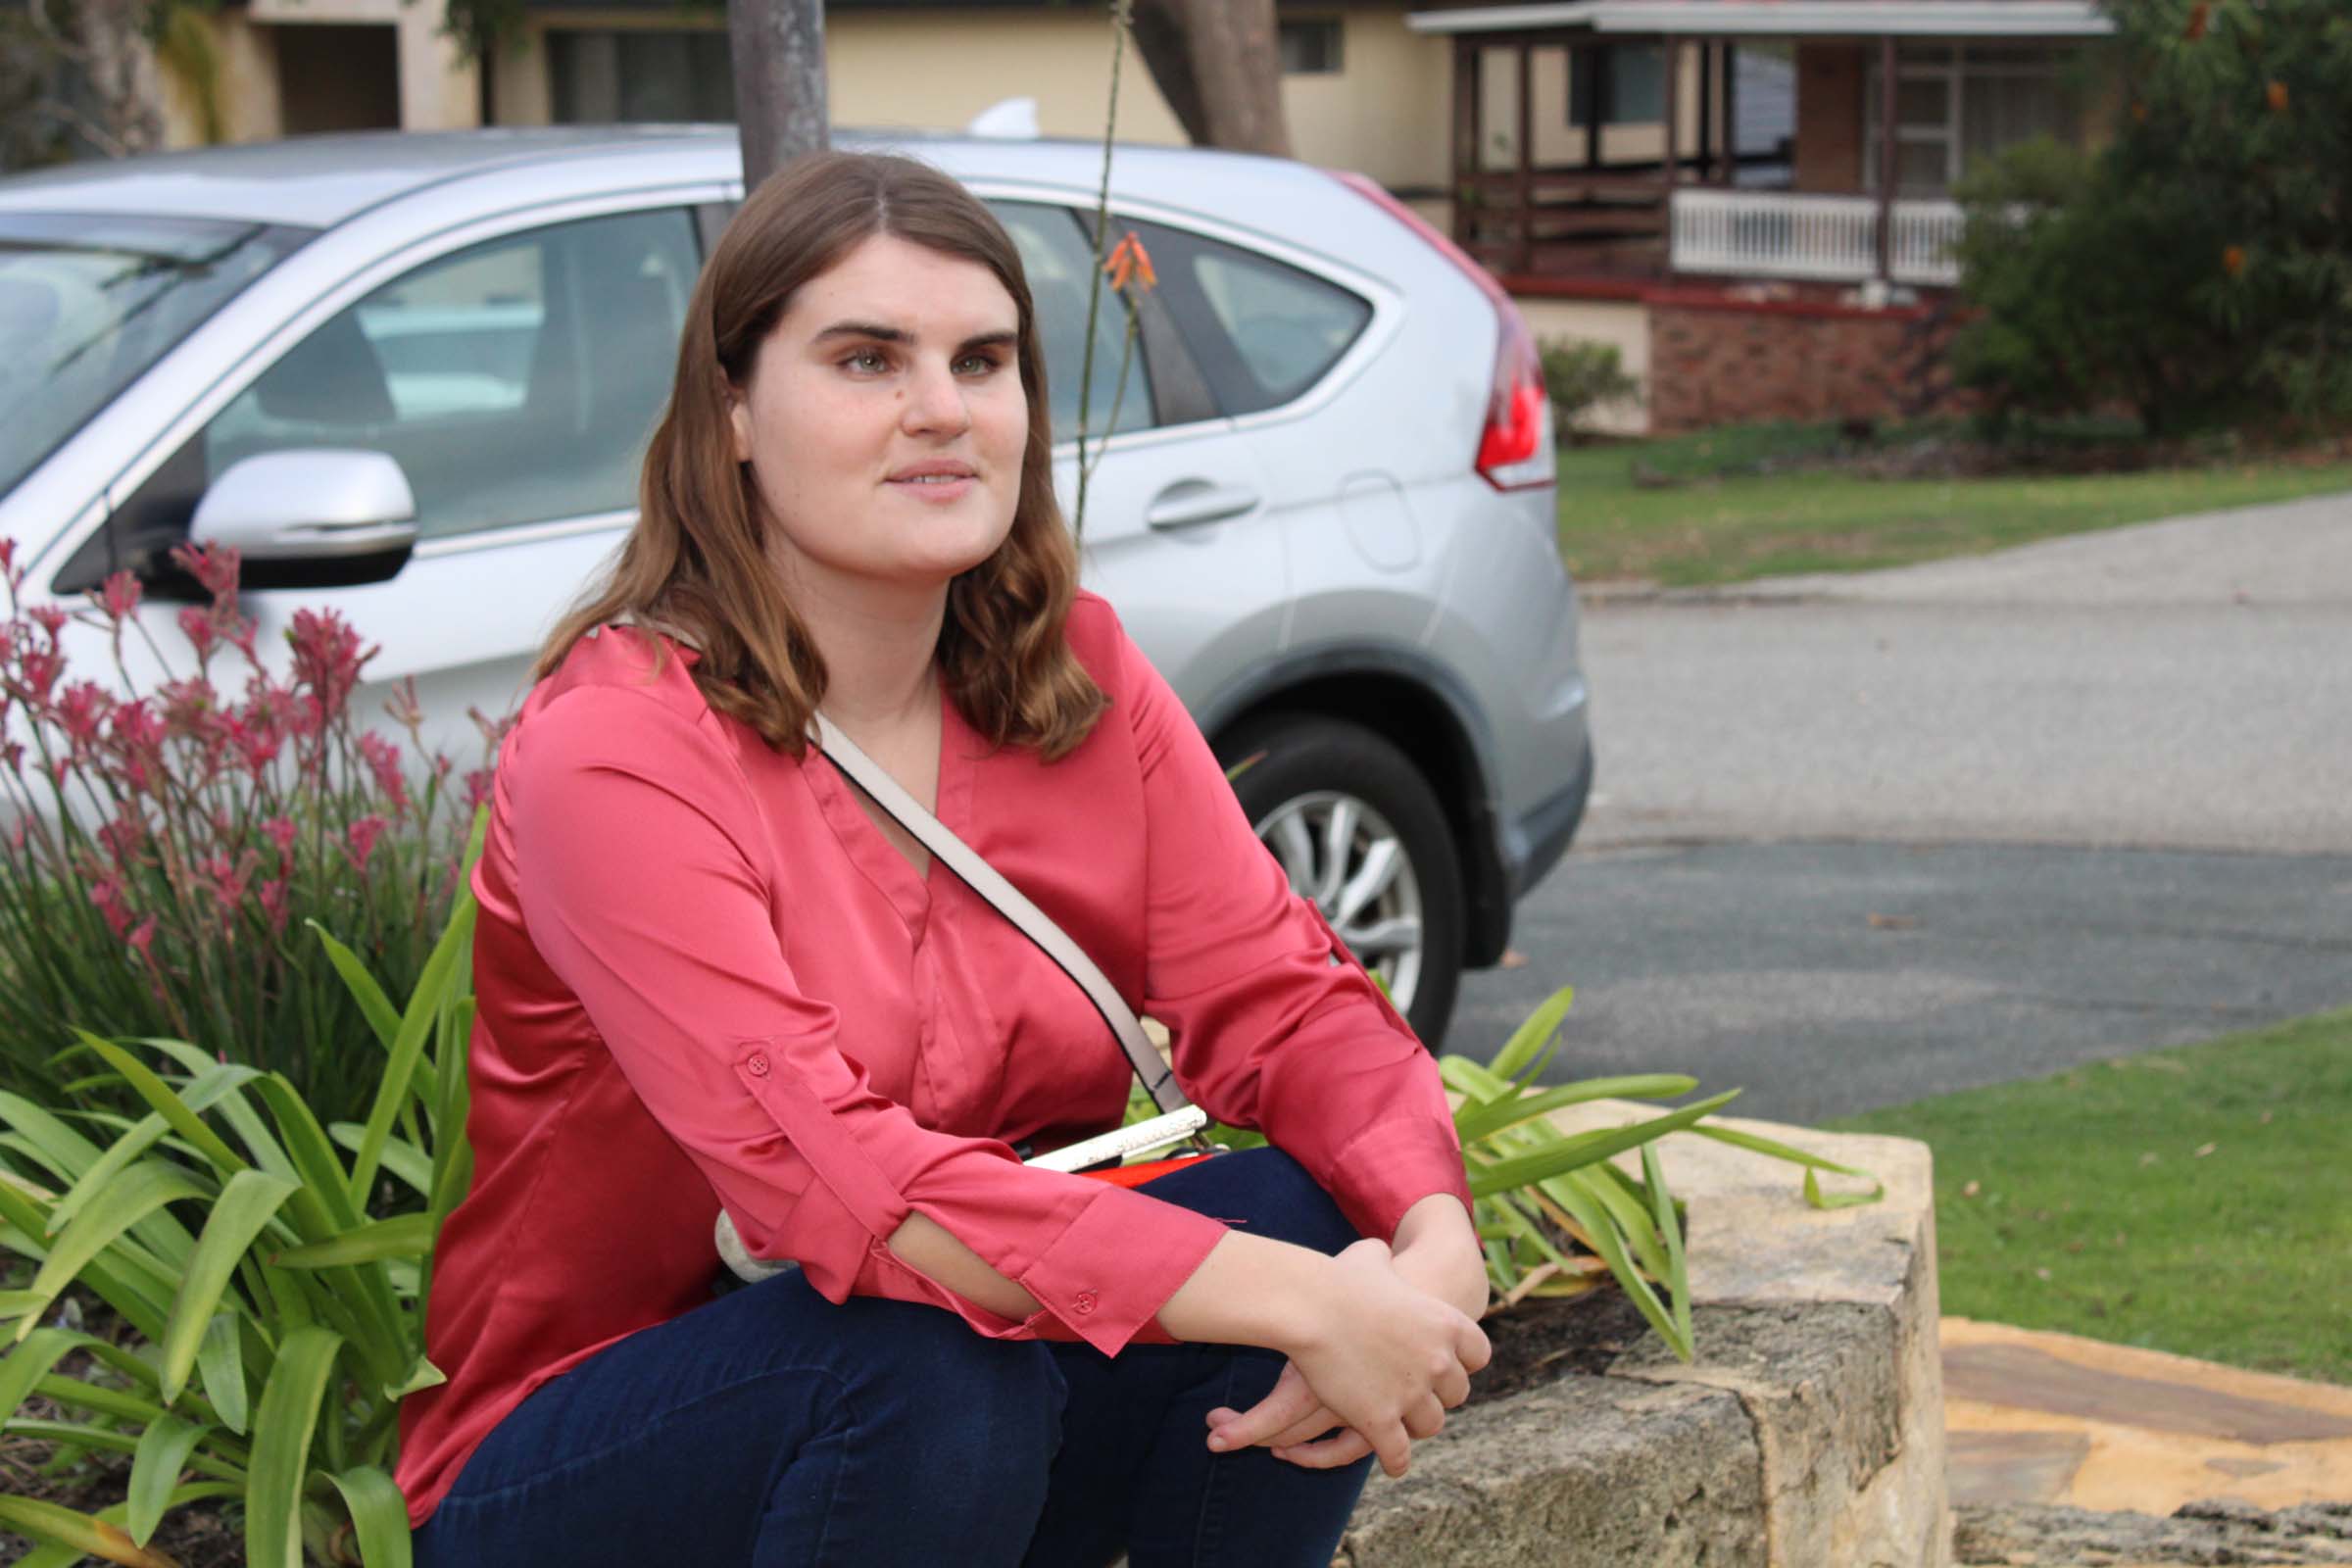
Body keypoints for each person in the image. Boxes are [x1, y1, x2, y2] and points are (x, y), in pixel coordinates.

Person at [394, 149, 1490, 1568]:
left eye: (983, 360)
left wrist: (1428, 1240)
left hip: (943, 1448)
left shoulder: (1077, 681)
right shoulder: (617, 749)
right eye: (866, 360)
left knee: (1300, 1201)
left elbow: (1288, 1001)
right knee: (926, 1358)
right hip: (591, 1467)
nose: (940, 411)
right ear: (731, 409)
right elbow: (842, 1189)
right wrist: (1297, 1302)